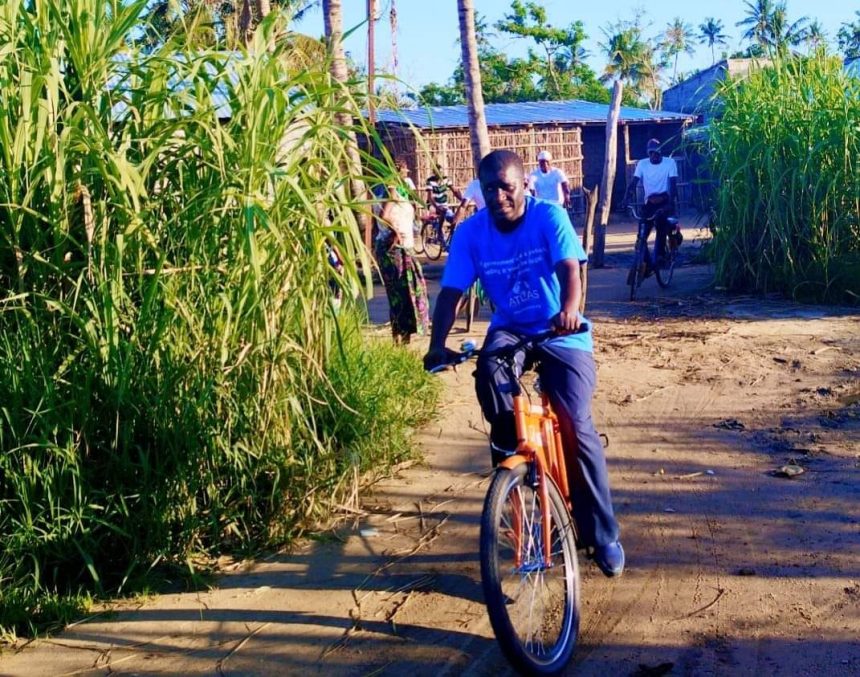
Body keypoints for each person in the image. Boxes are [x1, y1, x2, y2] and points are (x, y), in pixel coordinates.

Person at [423, 149, 624, 577]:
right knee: (492, 392)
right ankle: (516, 489)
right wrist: (437, 344)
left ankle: (602, 534)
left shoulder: (548, 216)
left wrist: (571, 310)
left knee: (575, 421)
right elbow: (451, 294)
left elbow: (571, 269)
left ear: (524, 186)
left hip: (559, 329)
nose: (498, 197)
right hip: (511, 329)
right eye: (489, 189)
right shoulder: (470, 234)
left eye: (506, 187)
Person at [375, 163, 429, 344]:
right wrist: (396, 233)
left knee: (405, 294)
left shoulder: (387, 192)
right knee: (402, 295)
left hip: (400, 247)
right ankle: (400, 341)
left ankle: (402, 340)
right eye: (403, 173)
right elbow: (386, 215)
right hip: (394, 249)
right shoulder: (391, 192)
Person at [626, 138, 679, 274]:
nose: (653, 155)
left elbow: (673, 186)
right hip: (649, 203)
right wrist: (626, 198)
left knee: (661, 226)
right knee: (642, 234)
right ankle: (647, 265)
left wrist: (669, 204)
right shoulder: (642, 164)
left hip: (665, 201)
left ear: (661, 152)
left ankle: (661, 256)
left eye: (656, 152)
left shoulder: (670, 163)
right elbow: (633, 183)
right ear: (648, 153)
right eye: (651, 153)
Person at [425, 162, 463, 227]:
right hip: (432, 205)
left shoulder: (446, 180)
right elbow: (430, 197)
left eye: (441, 172)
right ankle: (439, 232)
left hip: (443, 205)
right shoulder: (430, 181)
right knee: (439, 216)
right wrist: (437, 207)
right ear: (434, 173)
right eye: (438, 172)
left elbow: (455, 191)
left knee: (453, 219)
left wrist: (462, 200)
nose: (440, 174)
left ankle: (451, 234)